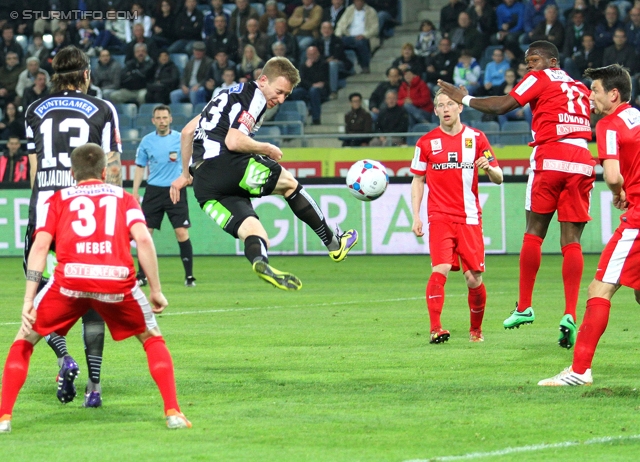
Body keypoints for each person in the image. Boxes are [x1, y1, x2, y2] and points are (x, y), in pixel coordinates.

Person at [0, 143, 191, 433]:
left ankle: (4, 418)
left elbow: (39, 246)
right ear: (104, 171)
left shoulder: (58, 199)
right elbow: (144, 240)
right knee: (152, 339)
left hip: (69, 281)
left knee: (24, 340)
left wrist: (29, 298)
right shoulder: (124, 198)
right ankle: (173, 412)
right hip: (116, 281)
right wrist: (156, 289)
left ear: (71, 173)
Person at [438, 40, 594, 347]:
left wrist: (464, 98)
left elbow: (502, 106)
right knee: (571, 240)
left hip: (550, 157)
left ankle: (524, 306)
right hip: (582, 160)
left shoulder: (541, 77)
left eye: (534, 59)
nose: (529, 66)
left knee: (534, 232)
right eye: (526, 61)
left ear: (552, 61)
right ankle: (570, 314)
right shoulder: (579, 87)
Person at [170, 57, 359, 290]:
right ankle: (334, 245)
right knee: (289, 184)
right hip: (226, 164)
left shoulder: (225, 96)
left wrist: (184, 174)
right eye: (279, 91)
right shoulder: (255, 96)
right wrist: (266, 148)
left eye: (286, 96)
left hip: (204, 185)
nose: (280, 99)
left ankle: (260, 262)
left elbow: (187, 132)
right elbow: (233, 140)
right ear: (262, 80)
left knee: (254, 232)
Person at [24, 45, 122, 408]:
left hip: (46, 211)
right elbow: (111, 169)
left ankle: (64, 357)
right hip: (89, 212)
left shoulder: (34, 108)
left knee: (39, 295)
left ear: (53, 76)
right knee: (91, 299)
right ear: (85, 75)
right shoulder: (102, 108)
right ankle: (94, 389)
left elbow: (35, 168)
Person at [538, 64, 639, 386]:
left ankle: (579, 371)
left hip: (637, 221)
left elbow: (611, 175)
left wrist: (618, 192)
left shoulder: (609, 124)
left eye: (594, 90)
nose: (589, 96)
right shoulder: (637, 117)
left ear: (613, 94)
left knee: (600, 288)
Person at [411, 90, 503, 344]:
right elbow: (418, 179)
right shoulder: (426, 143)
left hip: (469, 218)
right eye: (441, 105)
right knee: (439, 268)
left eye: (450, 104)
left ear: (460, 108)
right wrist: (416, 216)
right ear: (436, 111)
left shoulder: (476, 138)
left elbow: (499, 177)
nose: (446, 109)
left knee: (473, 278)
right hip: (439, 217)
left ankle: (476, 330)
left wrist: (489, 170)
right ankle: (436, 328)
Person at [133, 105, 196, 288]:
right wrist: (135, 191)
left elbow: (190, 161)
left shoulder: (180, 139)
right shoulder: (146, 141)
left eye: (164, 117)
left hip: (175, 189)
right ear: (153, 121)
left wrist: (188, 176)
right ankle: (141, 275)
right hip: (153, 191)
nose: (162, 121)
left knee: (181, 231)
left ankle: (189, 276)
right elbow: (140, 166)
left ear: (170, 119)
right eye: (158, 118)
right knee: (145, 234)